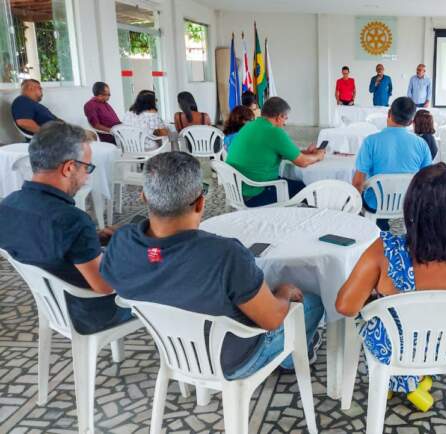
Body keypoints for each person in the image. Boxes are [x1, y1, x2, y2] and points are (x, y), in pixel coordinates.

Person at [100, 152, 323, 377]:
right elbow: (272, 319)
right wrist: (284, 292)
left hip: (174, 351)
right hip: (233, 360)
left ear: (144, 197)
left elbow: (154, 259)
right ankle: (288, 362)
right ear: (200, 203)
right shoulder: (225, 255)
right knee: (312, 301)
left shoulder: (122, 242)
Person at [337, 163, 446, 411]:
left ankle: (399, 381)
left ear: (411, 205)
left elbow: (345, 306)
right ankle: (414, 381)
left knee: (370, 312)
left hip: (394, 349)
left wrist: (374, 298)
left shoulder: (385, 252)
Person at [0, 121, 132, 334]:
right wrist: (128, 250)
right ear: (69, 167)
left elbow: (44, 242)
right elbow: (106, 286)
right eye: (87, 167)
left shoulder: (8, 205)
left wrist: (91, 239)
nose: (87, 176)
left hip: (51, 304)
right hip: (88, 312)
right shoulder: (72, 220)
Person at [226, 97, 325, 207]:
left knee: (292, 184)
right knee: (304, 190)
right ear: (279, 117)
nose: (285, 123)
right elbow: (302, 162)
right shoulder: (274, 132)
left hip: (237, 191)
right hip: (255, 194)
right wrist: (318, 156)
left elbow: (277, 151)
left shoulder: (250, 126)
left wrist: (306, 152)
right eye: (285, 118)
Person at [353, 97, 433, 230]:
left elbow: (358, 183)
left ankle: (377, 229)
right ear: (411, 122)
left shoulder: (370, 142)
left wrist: (355, 210)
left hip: (376, 203)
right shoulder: (421, 144)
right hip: (408, 202)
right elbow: (428, 180)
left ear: (389, 113)